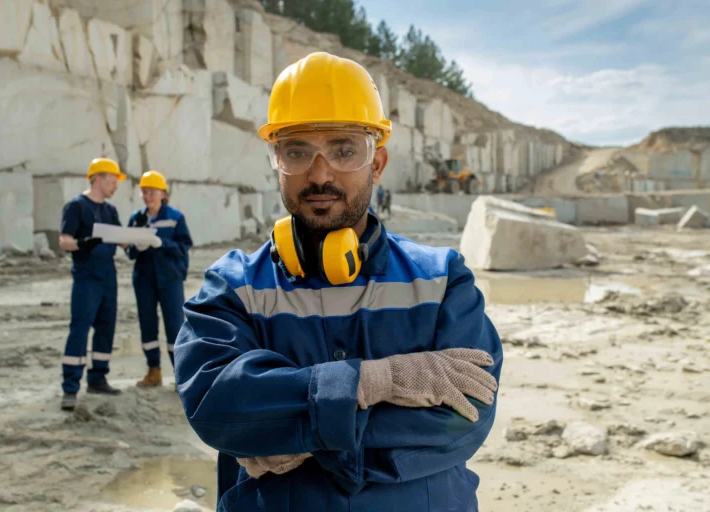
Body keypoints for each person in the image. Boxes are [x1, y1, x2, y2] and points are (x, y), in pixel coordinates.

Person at [173, 52, 502, 512]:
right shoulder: (233, 287)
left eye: (345, 149)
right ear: (276, 160)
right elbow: (215, 406)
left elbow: (466, 413)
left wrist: (300, 428)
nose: (321, 173)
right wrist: (375, 382)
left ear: (378, 162)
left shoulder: (442, 279)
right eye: (297, 151)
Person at [58, 157, 128, 411]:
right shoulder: (76, 206)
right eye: (112, 181)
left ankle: (98, 378)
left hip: (108, 275)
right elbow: (64, 241)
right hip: (87, 276)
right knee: (80, 328)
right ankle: (70, 388)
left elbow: (123, 240)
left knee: (106, 327)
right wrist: (82, 243)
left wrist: (141, 234)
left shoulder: (110, 211)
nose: (116, 186)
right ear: (98, 179)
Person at [126, 170, 193, 388]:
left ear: (163, 194)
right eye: (144, 192)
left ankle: (180, 375)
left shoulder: (174, 218)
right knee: (147, 324)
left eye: (152, 192)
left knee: (175, 326)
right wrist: (137, 247)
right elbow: (129, 252)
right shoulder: (137, 219)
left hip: (170, 279)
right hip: (144, 279)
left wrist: (162, 244)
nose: (147, 196)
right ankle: (153, 370)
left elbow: (184, 246)